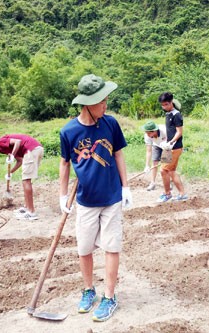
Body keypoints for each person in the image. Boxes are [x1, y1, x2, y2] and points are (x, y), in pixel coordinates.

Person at [59, 74, 132, 322]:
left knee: (112, 247)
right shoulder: (69, 131)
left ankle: (109, 296)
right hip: (85, 201)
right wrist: (61, 195)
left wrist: (126, 187)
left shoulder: (110, 124)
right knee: (84, 248)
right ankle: (89, 290)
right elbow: (64, 163)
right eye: (102, 101)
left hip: (111, 197)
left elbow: (119, 155)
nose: (106, 105)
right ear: (88, 104)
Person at [0, 133, 44, 220]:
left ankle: (31, 212)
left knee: (26, 181)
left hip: (31, 150)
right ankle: (27, 208)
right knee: (25, 180)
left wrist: (12, 155)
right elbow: (20, 161)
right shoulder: (5, 148)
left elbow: (18, 142)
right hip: (35, 150)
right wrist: (10, 173)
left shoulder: (0, 142)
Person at [156, 93, 187, 202]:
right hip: (168, 146)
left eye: (166, 104)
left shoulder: (176, 115)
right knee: (165, 170)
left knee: (167, 170)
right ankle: (168, 193)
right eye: (163, 105)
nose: (164, 107)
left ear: (171, 102)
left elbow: (179, 132)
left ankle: (176, 193)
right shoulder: (168, 114)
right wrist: (166, 142)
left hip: (175, 147)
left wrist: (171, 142)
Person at [142, 120, 168, 191]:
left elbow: (173, 138)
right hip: (156, 145)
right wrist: (147, 165)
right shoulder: (147, 136)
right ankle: (152, 183)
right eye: (146, 132)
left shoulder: (164, 130)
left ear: (154, 131)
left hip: (167, 146)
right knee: (154, 163)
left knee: (165, 165)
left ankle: (168, 182)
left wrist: (168, 146)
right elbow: (149, 151)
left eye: (148, 133)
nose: (147, 134)